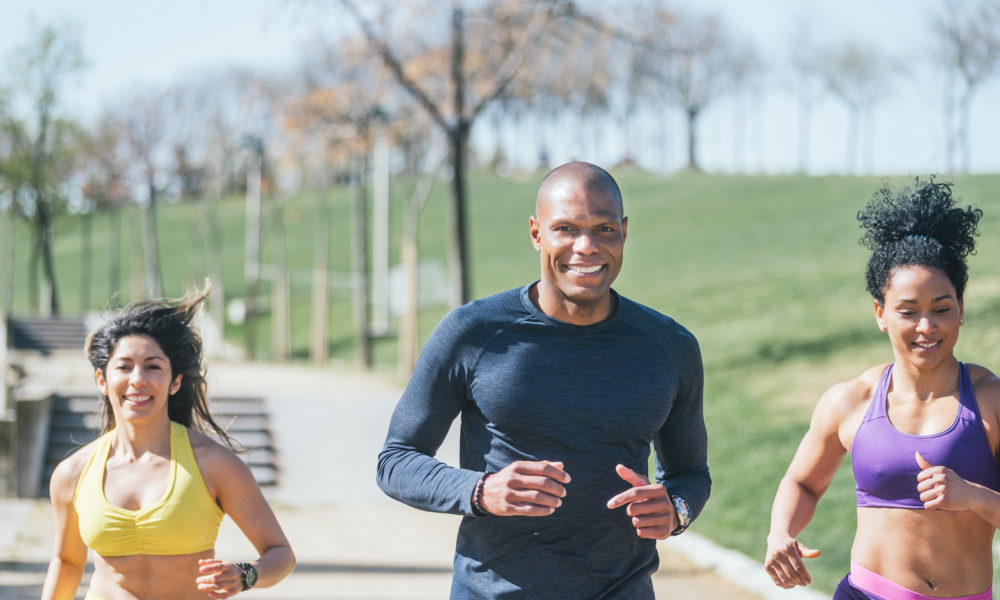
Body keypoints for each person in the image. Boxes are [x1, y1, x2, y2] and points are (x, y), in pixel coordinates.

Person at [376, 161, 711, 599]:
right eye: (566, 228)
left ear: (624, 232)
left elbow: (689, 474)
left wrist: (676, 510)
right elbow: (396, 461)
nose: (586, 247)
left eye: (604, 229)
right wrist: (480, 491)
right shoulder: (473, 332)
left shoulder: (669, 347)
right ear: (537, 233)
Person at [765, 178, 1000, 599]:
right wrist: (780, 532)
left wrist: (973, 496)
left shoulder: (990, 401)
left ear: (961, 309)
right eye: (908, 311)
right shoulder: (850, 401)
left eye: (942, 309)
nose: (926, 327)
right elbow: (803, 483)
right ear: (881, 313)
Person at [41, 286, 295, 600]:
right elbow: (66, 562)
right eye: (123, 366)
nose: (137, 379)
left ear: (175, 381)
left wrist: (245, 575)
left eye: (153, 366)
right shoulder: (73, 474)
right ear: (102, 381)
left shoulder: (213, 465)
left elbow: (280, 552)